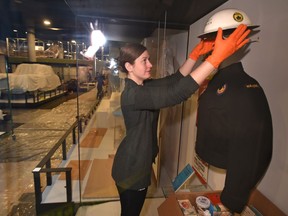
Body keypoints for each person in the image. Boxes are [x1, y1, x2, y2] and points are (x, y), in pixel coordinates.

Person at [111, 24, 251, 216]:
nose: (150, 64)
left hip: (134, 163)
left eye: (148, 59)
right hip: (131, 169)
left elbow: (174, 80)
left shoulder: (143, 87)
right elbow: (177, 93)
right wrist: (215, 59)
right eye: (144, 61)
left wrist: (195, 55)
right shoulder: (133, 95)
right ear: (129, 66)